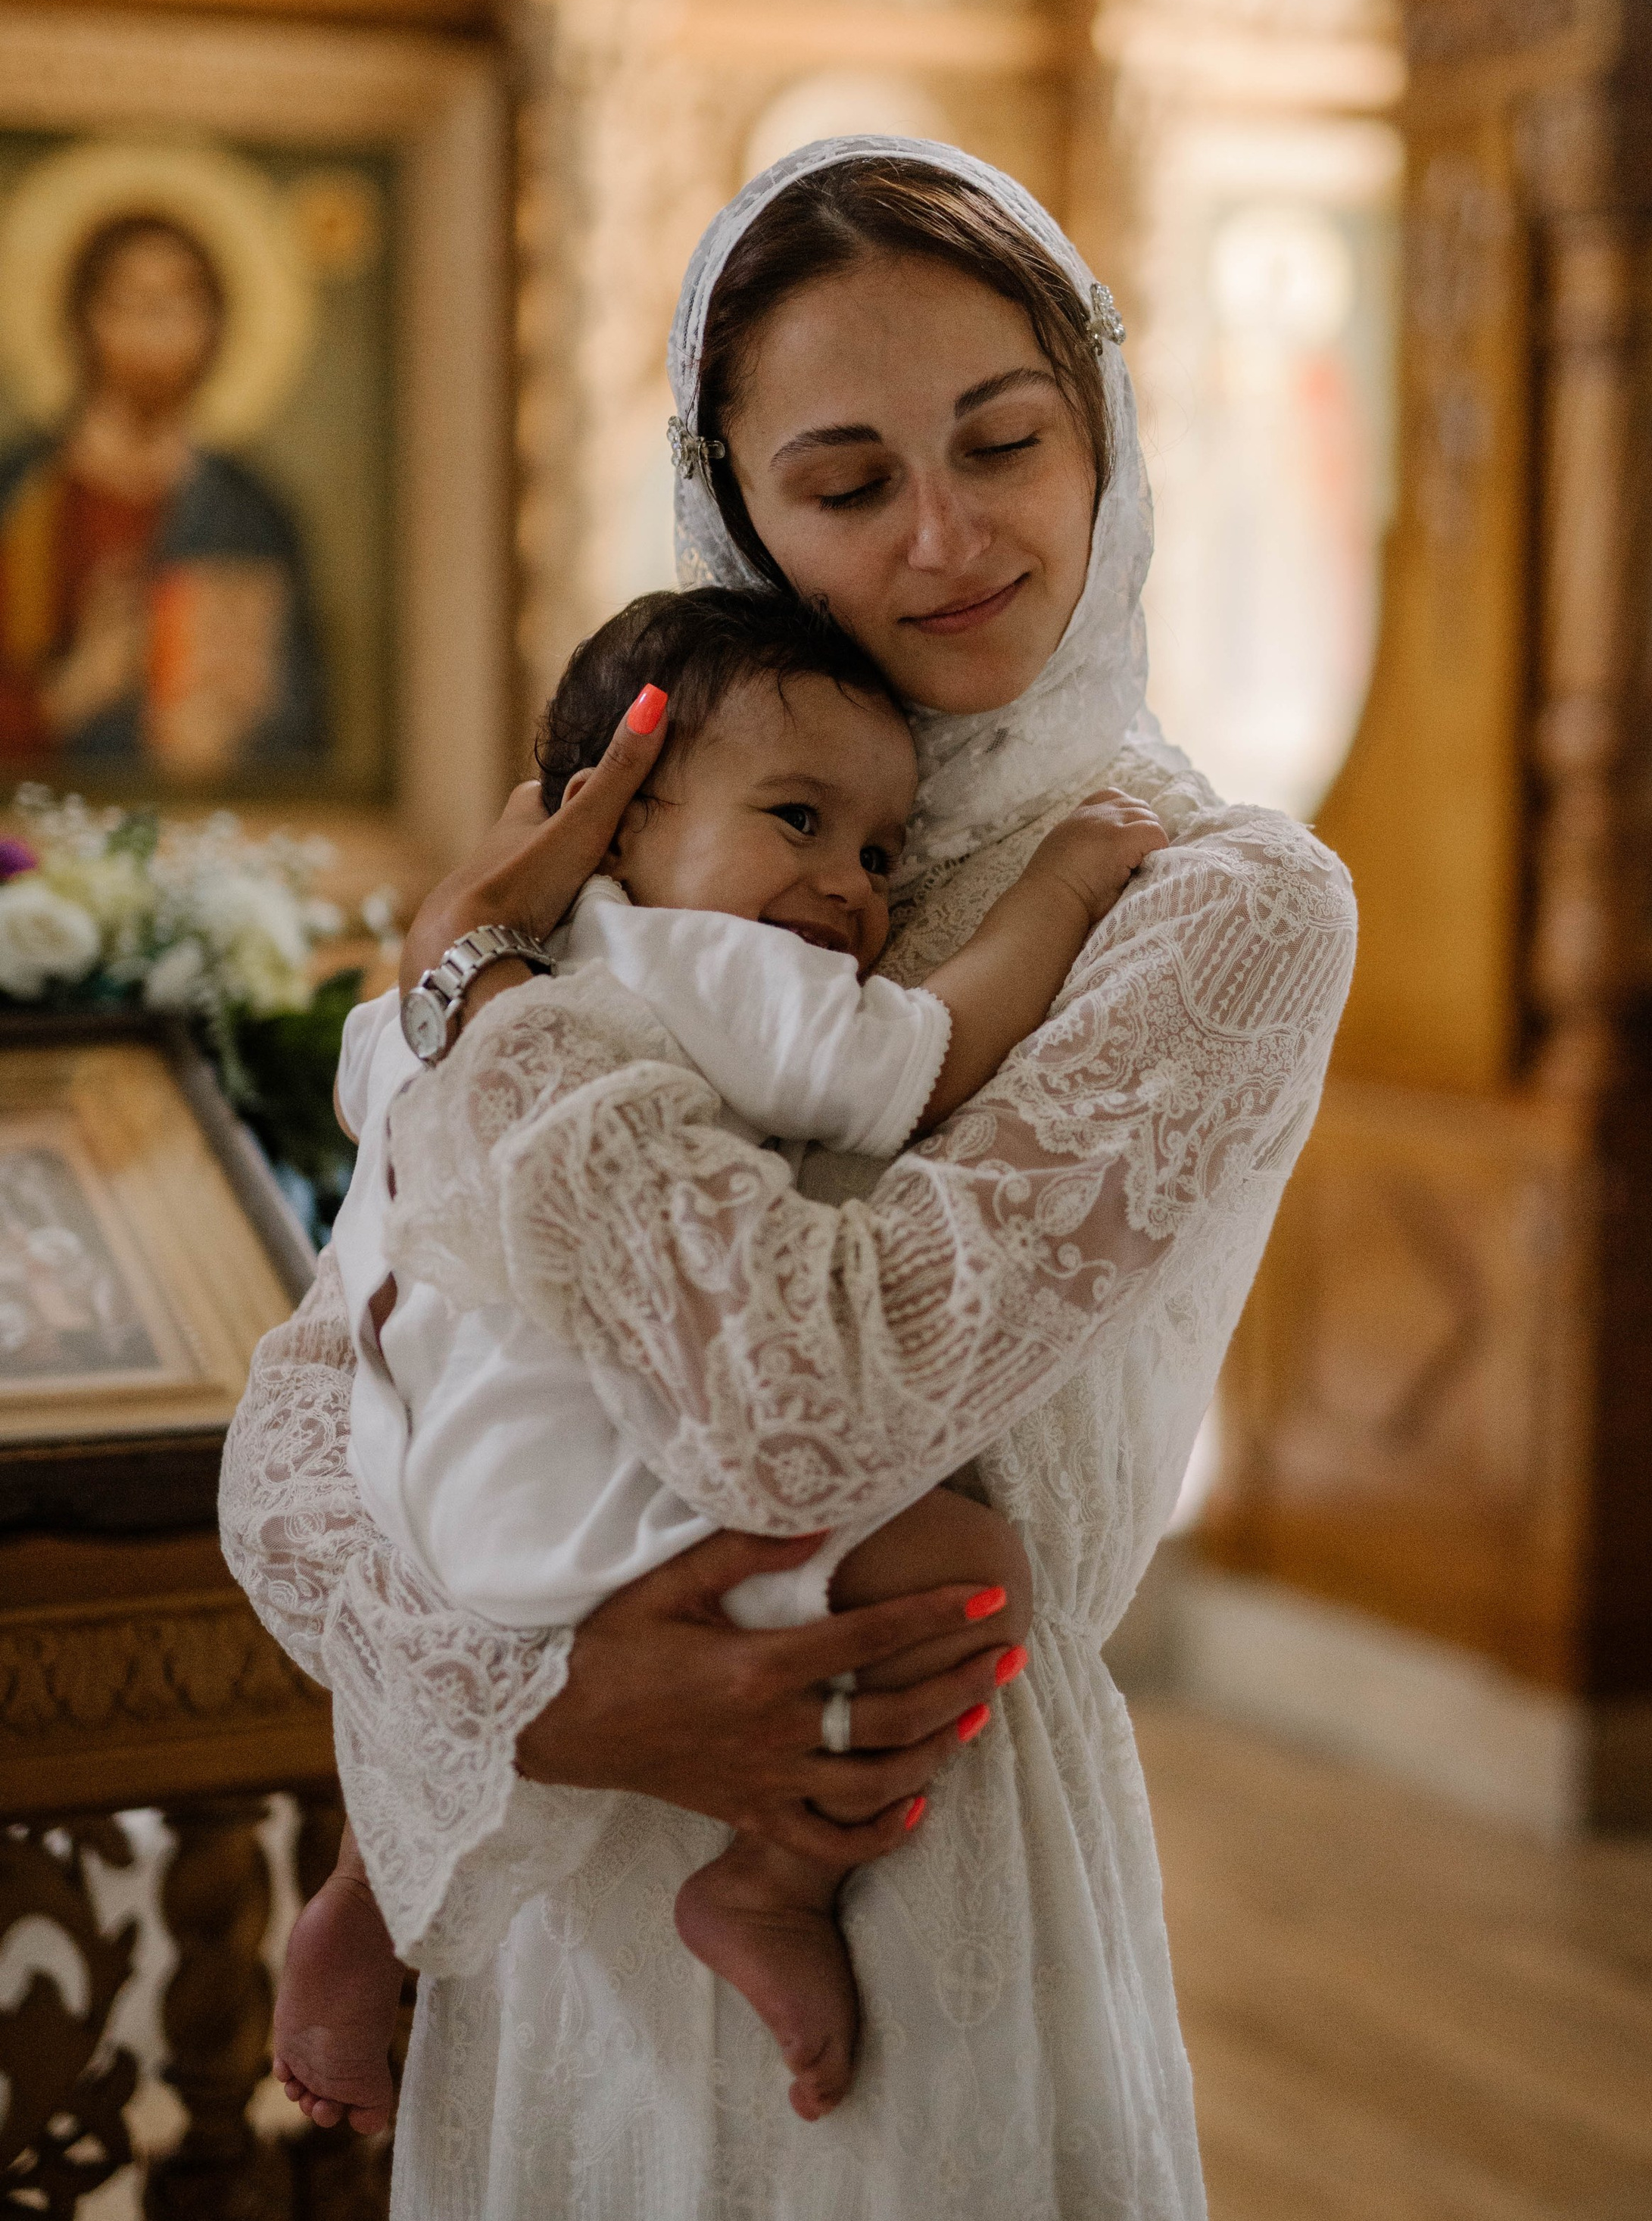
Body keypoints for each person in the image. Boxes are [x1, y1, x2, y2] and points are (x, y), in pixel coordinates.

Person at [220, 136, 1356, 2221]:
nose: (943, 535)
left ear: (1103, 435)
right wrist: (544, 1715)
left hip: (910, 1869)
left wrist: (478, 1005)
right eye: (843, 481)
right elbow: (298, 1431)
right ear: (734, 510)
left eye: (1000, 443)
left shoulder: (1212, 902)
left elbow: (821, 1394)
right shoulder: (655, 862)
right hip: (555, 1916)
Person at [274, 580, 1163, 2129]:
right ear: (617, 823)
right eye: (797, 819)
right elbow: (929, 1053)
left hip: (409, 1465)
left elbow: (378, 1085)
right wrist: (1071, 885)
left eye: (879, 852)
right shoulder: (707, 966)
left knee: (458, 1623)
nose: (846, 887)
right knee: (971, 1569)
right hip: (577, 1474)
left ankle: (363, 1893)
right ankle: (768, 1882)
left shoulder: (465, 978)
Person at [0, 213, 322, 774]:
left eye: (180, 304)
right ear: (83, 322)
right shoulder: (19, 495)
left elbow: (306, 724)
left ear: (215, 329)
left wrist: (233, 736)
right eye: (131, 303)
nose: (156, 330)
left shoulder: (252, 513)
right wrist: (69, 695)